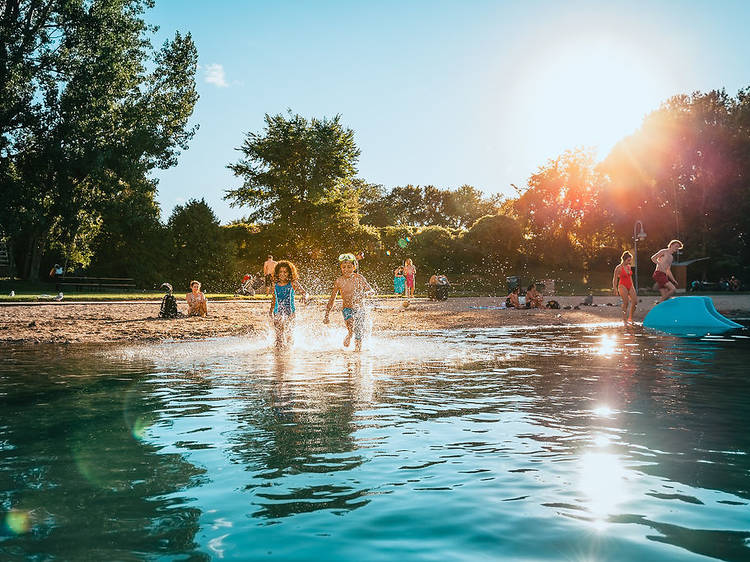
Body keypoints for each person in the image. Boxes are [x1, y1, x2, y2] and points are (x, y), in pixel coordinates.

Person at [324, 253, 374, 352]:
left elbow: (371, 290)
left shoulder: (359, 278)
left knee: (359, 330)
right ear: (340, 268)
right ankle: (350, 334)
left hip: (360, 308)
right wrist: (326, 314)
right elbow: (332, 299)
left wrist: (366, 294)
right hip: (347, 309)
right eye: (344, 267)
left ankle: (357, 351)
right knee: (351, 325)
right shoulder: (339, 281)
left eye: (349, 267)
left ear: (354, 267)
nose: (346, 269)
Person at [269, 260, 308, 348]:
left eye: (285, 272)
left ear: (289, 273)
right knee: (279, 335)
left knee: (289, 334)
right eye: (280, 272)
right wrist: (270, 311)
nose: (283, 274)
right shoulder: (275, 285)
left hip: (290, 312)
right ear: (277, 273)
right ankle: (278, 356)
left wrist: (304, 297)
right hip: (277, 311)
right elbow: (274, 298)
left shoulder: (293, 283)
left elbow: (305, 293)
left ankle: (289, 352)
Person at [612, 251, 636, 325]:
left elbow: (630, 277)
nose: (629, 262)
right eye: (628, 260)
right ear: (624, 259)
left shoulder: (629, 267)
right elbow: (615, 279)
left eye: (630, 260)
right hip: (622, 285)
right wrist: (615, 289)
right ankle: (624, 319)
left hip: (630, 285)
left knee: (635, 302)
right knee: (626, 303)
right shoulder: (618, 268)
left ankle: (630, 318)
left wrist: (632, 287)